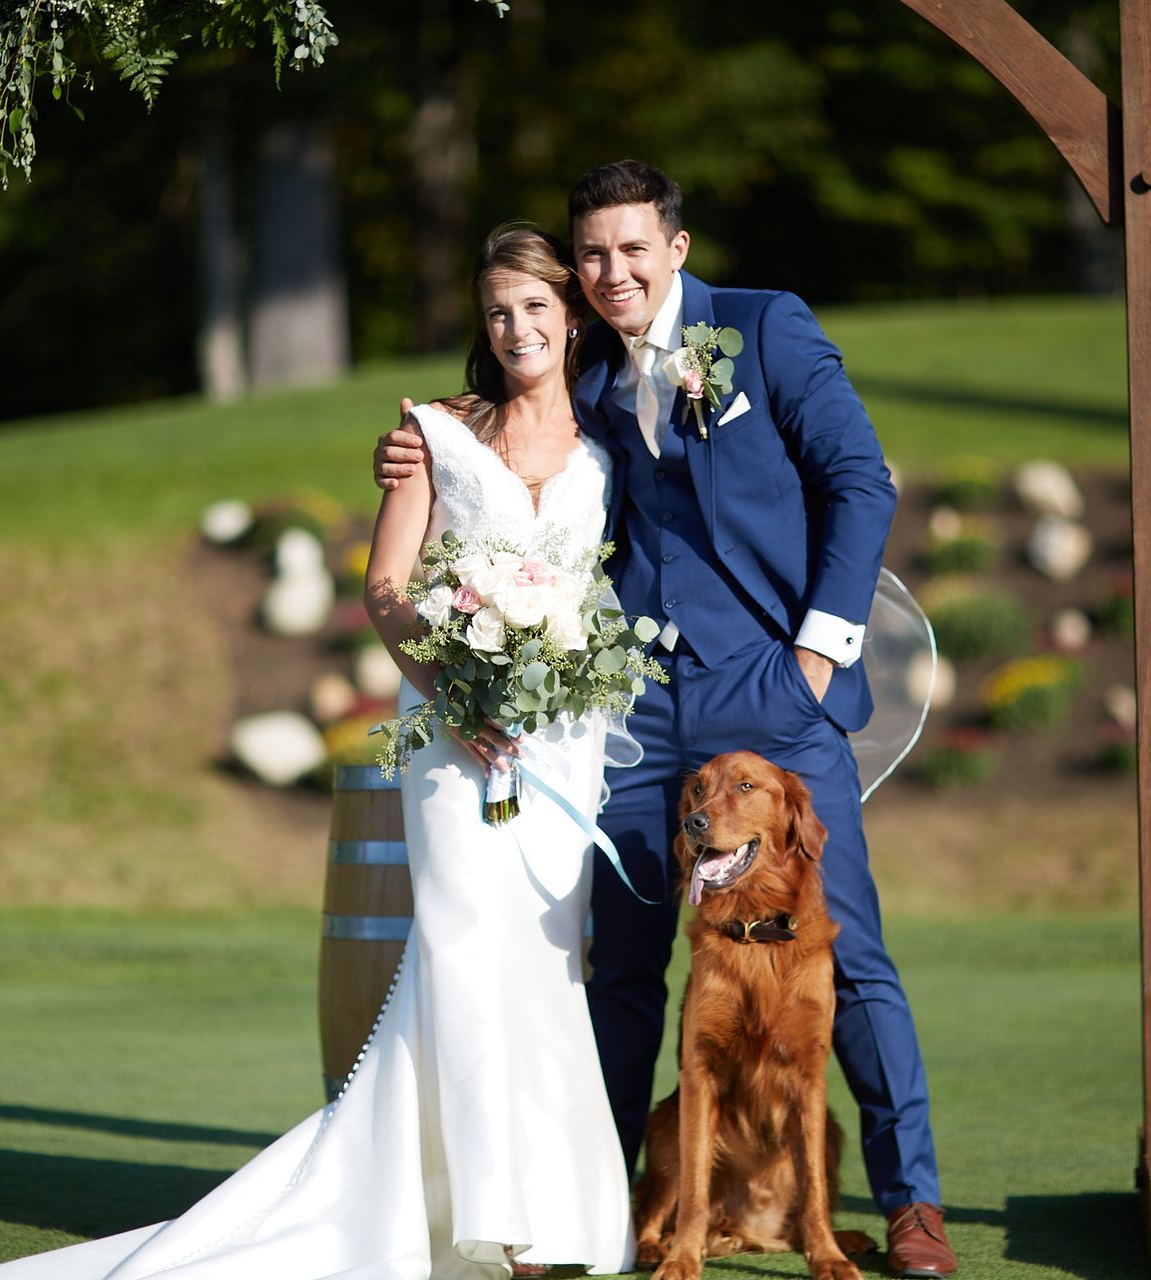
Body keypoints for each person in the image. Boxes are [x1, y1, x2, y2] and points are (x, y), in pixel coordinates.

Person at [0, 224, 633, 1280]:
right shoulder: (435, 435)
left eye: (535, 307)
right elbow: (387, 586)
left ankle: (552, 1209)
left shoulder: (609, 442)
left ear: (571, 316)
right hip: (452, 741)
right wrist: (458, 688)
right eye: (498, 310)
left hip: (562, 745)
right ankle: (490, 1230)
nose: (517, 327)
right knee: (459, 951)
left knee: (545, 962)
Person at [375, 161, 959, 1279]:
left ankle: (914, 1199)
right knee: (625, 958)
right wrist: (406, 451)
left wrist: (816, 658)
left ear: (676, 248)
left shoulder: (765, 329)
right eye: (592, 254)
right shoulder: (590, 359)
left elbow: (860, 481)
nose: (610, 272)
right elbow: (509, 411)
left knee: (850, 949)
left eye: (632, 250)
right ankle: (581, 1198)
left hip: (774, 696)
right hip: (636, 712)